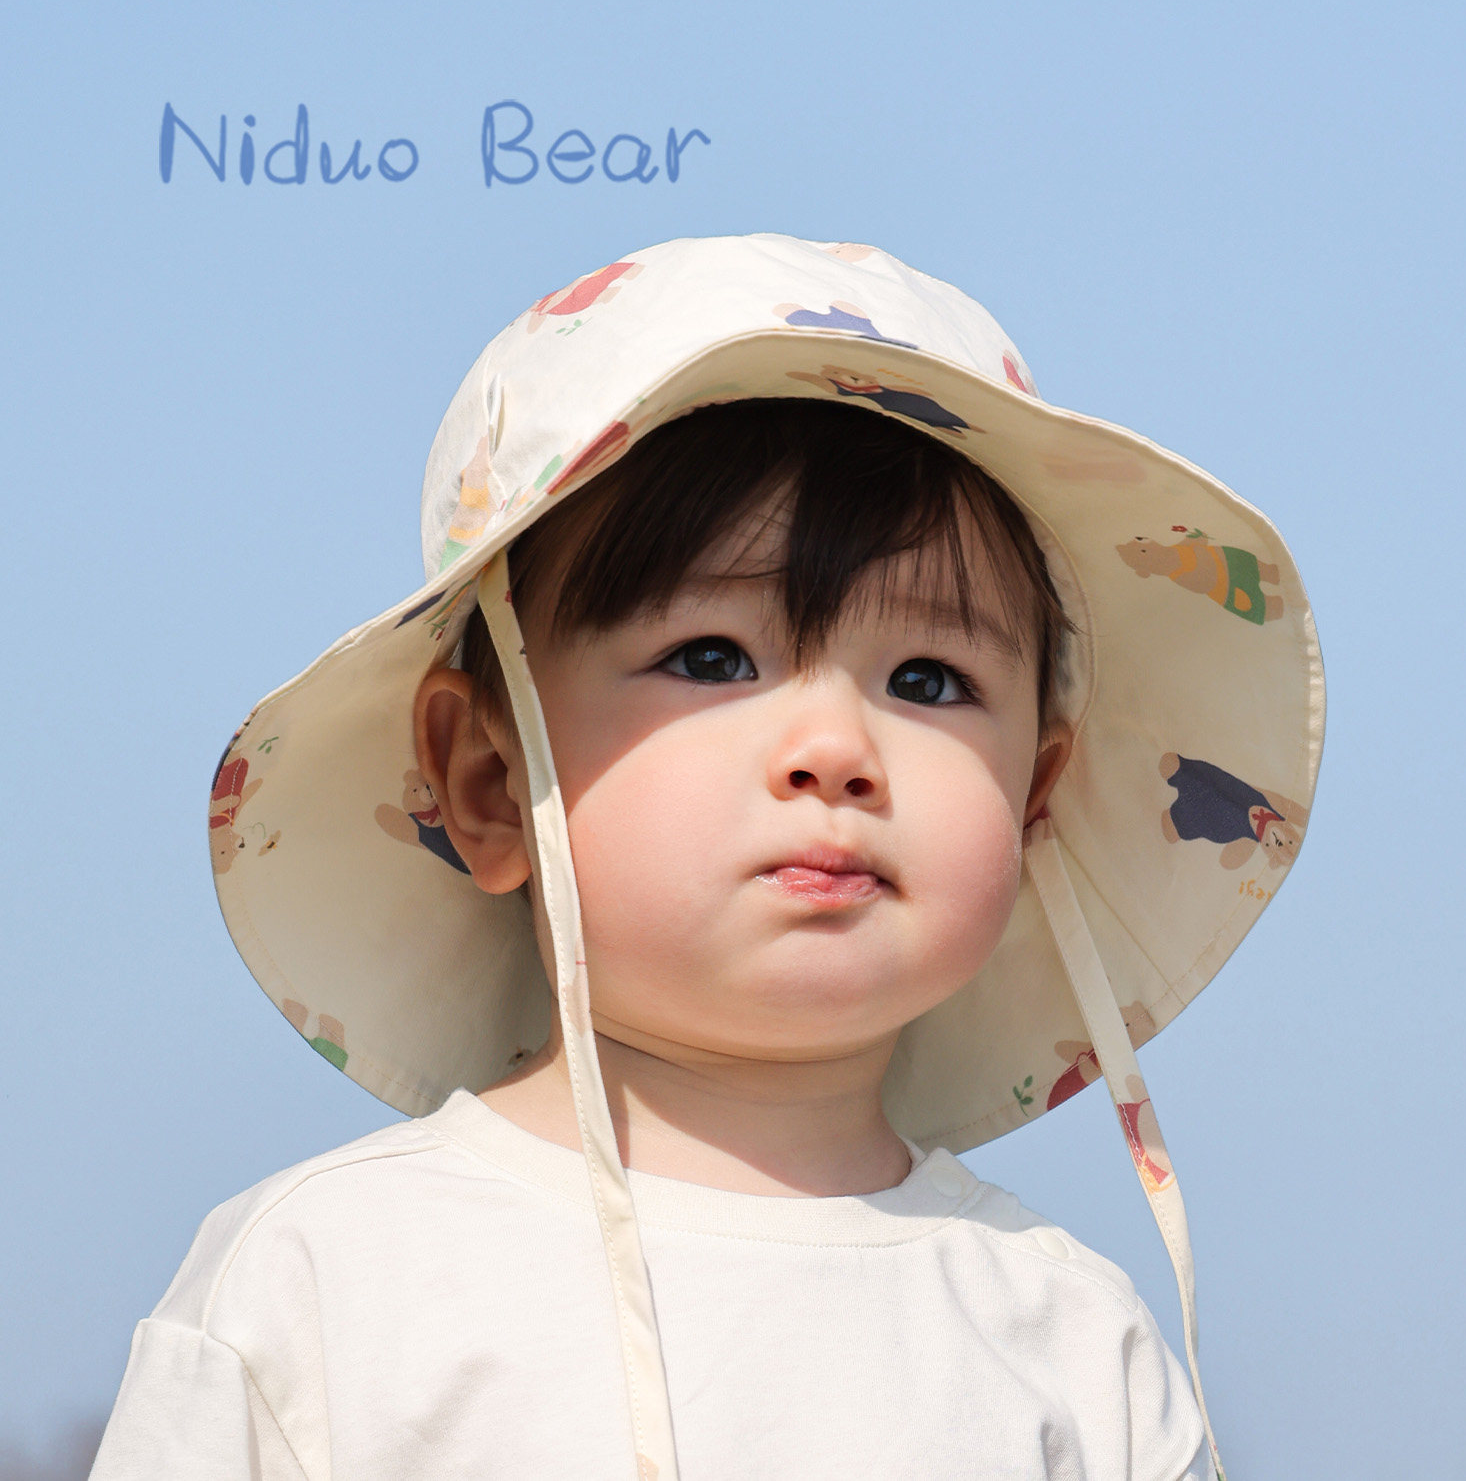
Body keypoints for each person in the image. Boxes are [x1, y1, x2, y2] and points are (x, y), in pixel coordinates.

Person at [90, 233, 1324, 1480]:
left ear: (1032, 801)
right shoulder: (322, 1285)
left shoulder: (1073, 1344)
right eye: (713, 658)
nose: (836, 750)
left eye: (927, 680)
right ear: (490, 780)